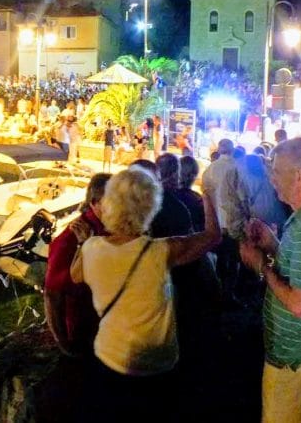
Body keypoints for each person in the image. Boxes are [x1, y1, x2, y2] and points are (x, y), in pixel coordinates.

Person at [70, 166, 221, 422]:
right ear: (151, 206)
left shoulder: (91, 248)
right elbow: (212, 236)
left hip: (109, 356)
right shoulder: (161, 251)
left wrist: (83, 242)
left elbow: (75, 276)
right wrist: (208, 197)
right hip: (156, 363)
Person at [239, 138, 301, 423]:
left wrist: (261, 266)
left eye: (276, 170)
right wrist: (273, 244)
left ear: (299, 177)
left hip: (297, 359)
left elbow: (299, 304)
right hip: (293, 353)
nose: (271, 177)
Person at [44, 173, 111, 356]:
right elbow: (52, 294)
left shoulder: (109, 228)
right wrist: (63, 342)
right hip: (83, 329)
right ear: (95, 202)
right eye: (112, 201)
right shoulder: (70, 238)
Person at [201, 138, 248, 305]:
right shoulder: (237, 168)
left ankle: (218, 291)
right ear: (233, 149)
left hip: (217, 221)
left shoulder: (210, 169)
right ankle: (230, 294)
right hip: (234, 220)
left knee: (221, 259)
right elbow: (243, 195)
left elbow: (205, 192)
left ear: (219, 150)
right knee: (234, 259)